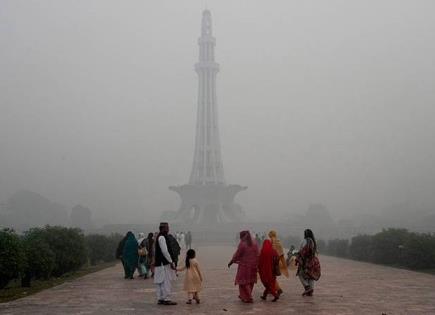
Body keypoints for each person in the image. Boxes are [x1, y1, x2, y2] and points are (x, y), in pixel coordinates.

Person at [228, 231, 259, 303]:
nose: (240, 238)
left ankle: (248, 297)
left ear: (242, 237)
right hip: (253, 266)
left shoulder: (243, 244)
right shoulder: (254, 243)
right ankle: (244, 296)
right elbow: (258, 254)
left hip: (244, 266)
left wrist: (231, 261)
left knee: (243, 282)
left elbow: (237, 254)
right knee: (250, 281)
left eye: (240, 236)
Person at [154, 222, 177, 305]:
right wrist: (170, 261)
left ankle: (160, 298)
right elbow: (165, 251)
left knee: (160, 281)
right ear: (163, 228)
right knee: (166, 281)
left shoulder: (159, 237)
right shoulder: (162, 238)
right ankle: (167, 298)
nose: (168, 229)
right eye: (167, 227)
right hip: (164, 263)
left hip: (159, 263)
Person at [296, 229, 321, 296]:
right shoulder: (314, 242)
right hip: (313, 261)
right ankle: (311, 290)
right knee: (311, 276)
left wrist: (298, 258)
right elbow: (316, 251)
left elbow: (300, 250)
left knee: (300, 274)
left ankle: (307, 287)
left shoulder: (304, 241)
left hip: (304, 261)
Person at [268, 230, 289, 296]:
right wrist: (284, 264)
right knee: (272, 276)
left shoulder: (270, 241)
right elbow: (281, 254)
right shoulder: (279, 242)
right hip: (277, 261)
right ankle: (271, 289)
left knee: (270, 276)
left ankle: (278, 289)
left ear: (270, 235)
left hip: (270, 261)